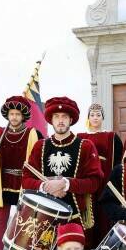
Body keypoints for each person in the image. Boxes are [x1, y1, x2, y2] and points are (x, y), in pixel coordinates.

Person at [0, 95, 43, 250]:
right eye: (11, 114)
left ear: (23, 116)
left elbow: (41, 153)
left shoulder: (33, 134)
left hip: (24, 181)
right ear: (7, 115)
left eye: (17, 114)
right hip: (4, 181)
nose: (14, 117)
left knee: (23, 219)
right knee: (1, 219)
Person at [21, 96, 103, 231]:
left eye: (64, 117)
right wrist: (46, 186)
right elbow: (26, 180)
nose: (60, 121)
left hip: (75, 218)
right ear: (51, 120)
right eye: (56, 117)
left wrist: (65, 184)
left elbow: (94, 182)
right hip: (43, 217)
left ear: (71, 120)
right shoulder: (39, 146)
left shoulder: (86, 146)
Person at [77, 103, 123, 250]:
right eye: (92, 115)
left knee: (103, 213)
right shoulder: (80, 137)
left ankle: (105, 247)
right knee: (88, 212)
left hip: (104, 180)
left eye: (98, 115)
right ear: (88, 118)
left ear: (102, 118)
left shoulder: (111, 136)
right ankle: (87, 247)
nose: (95, 118)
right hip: (87, 180)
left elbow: (117, 162)